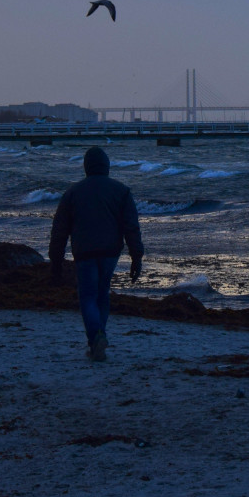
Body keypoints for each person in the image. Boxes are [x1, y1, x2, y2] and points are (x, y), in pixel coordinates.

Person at [49, 147, 143, 361]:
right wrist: (136, 257)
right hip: (110, 252)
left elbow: (59, 230)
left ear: (86, 167)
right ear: (107, 166)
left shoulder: (73, 193)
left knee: (88, 296)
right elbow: (131, 227)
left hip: (84, 252)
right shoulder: (121, 191)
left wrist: (56, 261)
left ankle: (96, 338)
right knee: (102, 294)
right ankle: (98, 338)